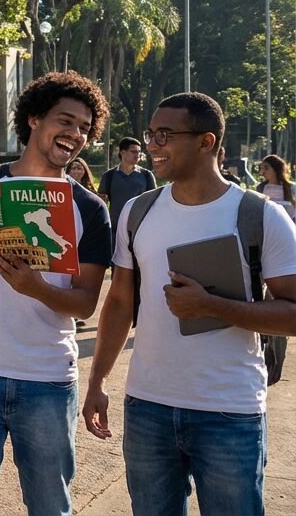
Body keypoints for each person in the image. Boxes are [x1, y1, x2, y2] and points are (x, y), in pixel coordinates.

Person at [83, 92, 296, 515]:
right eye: (150, 134)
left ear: (206, 142)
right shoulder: (137, 212)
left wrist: (212, 306)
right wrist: (97, 382)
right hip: (147, 408)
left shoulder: (261, 216)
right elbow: (120, 302)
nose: (152, 145)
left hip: (229, 411)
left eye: (165, 135)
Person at [0, 70, 113, 515]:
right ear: (33, 119)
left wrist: (35, 287)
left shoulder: (89, 208)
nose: (74, 134)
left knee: (51, 506)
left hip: (48, 378)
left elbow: (86, 303)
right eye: (65, 121)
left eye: (85, 128)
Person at [98, 137, 155, 228]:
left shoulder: (146, 175)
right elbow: (101, 204)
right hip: (115, 228)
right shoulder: (109, 176)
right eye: (133, 152)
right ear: (122, 152)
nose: (138, 155)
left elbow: (153, 203)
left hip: (140, 227)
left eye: (139, 152)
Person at [258, 154, 296, 219]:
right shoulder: (261, 188)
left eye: (266, 168)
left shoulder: (291, 187)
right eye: (261, 168)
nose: (262, 172)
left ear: (276, 169)